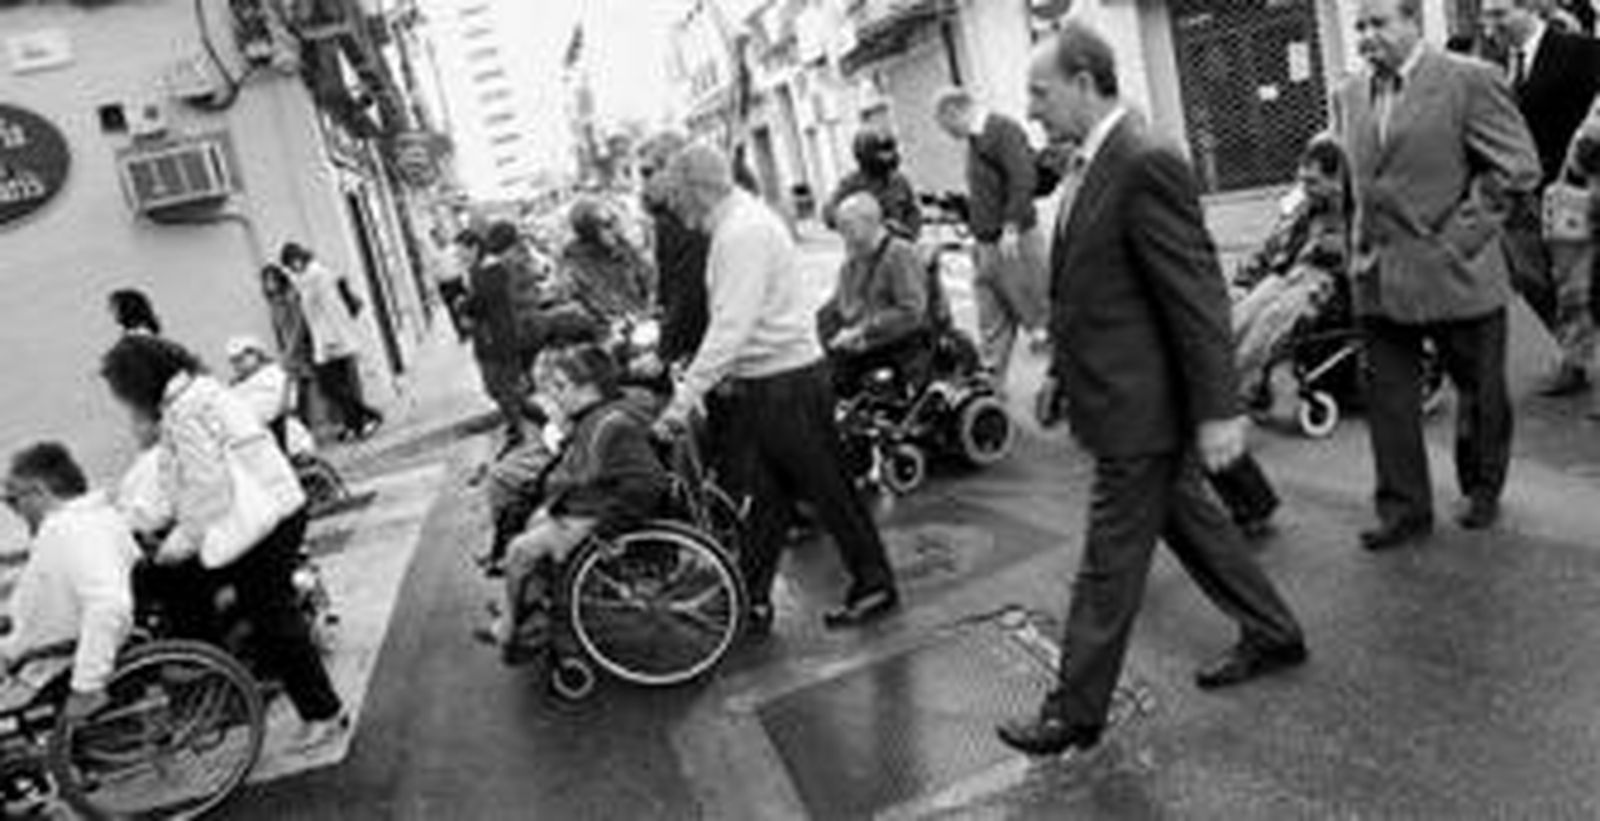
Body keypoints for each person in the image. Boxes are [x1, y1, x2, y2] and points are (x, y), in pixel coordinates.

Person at [997, 22, 1308, 758]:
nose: (1032, 108)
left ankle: (1074, 709)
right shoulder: (1089, 160)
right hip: (1119, 395)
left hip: (1143, 410)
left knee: (1109, 564)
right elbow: (1095, 293)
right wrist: (1061, 378)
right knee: (1197, 525)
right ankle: (1275, 632)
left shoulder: (1142, 158)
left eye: (1040, 93)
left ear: (1083, 80)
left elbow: (1194, 293)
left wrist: (1220, 407)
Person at [657, 144, 899, 633]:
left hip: (784, 384)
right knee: (767, 498)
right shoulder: (740, 224)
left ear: (698, 190)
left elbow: (731, 325)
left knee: (828, 489)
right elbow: (739, 324)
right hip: (775, 380)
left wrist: (681, 404)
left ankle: (874, 585)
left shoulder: (740, 233)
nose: (674, 205)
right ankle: (750, 601)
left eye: (677, 193)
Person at [1331, 0, 1540, 546]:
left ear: (1412, 22)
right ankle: (1403, 510)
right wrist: (1353, 248)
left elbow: (1517, 167)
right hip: (1378, 273)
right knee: (1389, 402)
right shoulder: (1349, 93)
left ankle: (1482, 486)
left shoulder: (1469, 80)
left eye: (1379, 24)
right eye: (1360, 26)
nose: (1366, 36)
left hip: (1456, 271)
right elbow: (1355, 183)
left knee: (1481, 393)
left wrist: (1461, 239)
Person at [99, 335, 348, 748]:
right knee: (259, 611)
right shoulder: (199, 392)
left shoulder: (185, 411)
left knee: (272, 618)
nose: (126, 406)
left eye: (123, 394)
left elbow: (209, 488)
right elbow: (185, 479)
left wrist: (181, 540)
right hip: (273, 510)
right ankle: (213, 664)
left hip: (262, 522)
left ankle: (321, 712)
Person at [475, 344, 669, 662]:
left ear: (589, 387)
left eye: (562, 387)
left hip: (597, 515)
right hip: (588, 505)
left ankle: (510, 626)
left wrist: (605, 532)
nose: (556, 395)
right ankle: (527, 612)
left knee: (518, 550)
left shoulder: (611, 425)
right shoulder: (596, 417)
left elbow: (648, 482)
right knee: (530, 522)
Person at [1479, 0, 1600, 396]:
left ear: (1529, 8)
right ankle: (1574, 350)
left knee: (1578, 285)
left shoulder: (1578, 50)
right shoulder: (1492, 61)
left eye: (1500, 14)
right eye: (1486, 15)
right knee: (1529, 277)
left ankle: (1578, 362)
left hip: (1571, 192)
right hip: (1517, 195)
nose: (1490, 24)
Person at [0, 443, 138, 719]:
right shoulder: (90, 520)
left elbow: (109, 605)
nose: (14, 511)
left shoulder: (72, 531)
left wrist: (86, 687)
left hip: (38, 663)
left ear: (39, 491)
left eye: (14, 501)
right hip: (28, 645)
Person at [933, 88, 1049, 381]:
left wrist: (1011, 226)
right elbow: (990, 190)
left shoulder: (1001, 131)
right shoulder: (975, 142)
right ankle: (989, 394)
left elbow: (1023, 178)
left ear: (955, 111)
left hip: (1012, 242)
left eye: (945, 125)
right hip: (987, 246)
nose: (947, 134)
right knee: (991, 325)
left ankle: (1070, 390)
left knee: (1041, 324)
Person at [1231, 138, 1354, 397]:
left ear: (1336, 180)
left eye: (1313, 181)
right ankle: (1213, 384)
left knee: (1267, 323)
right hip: (1288, 273)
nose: (1305, 187)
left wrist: (1332, 244)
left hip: (1322, 281)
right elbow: (1273, 243)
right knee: (1239, 317)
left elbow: (1356, 255)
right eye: (1302, 180)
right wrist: (1245, 278)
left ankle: (1224, 392)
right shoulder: (1302, 205)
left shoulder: (1353, 210)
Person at [817, 192, 930, 396]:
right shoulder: (853, 260)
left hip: (897, 344)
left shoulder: (899, 254)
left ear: (870, 222)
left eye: (847, 227)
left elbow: (911, 312)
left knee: (839, 375)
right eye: (840, 228)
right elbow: (840, 304)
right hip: (862, 343)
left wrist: (863, 330)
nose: (843, 234)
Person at [279, 242, 384, 442]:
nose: (293, 267)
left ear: (301, 256)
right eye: (290, 264)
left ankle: (368, 417)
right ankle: (356, 424)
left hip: (331, 341)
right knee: (338, 386)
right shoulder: (308, 277)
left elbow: (330, 310)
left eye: (294, 261)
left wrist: (330, 341)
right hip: (328, 340)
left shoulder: (315, 275)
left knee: (331, 386)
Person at [638, 132, 712, 367]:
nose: (644, 183)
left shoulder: (684, 215)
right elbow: (670, 283)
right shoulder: (669, 214)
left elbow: (689, 290)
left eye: (648, 173)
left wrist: (664, 351)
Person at [559, 197, 655, 326]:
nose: (616, 231)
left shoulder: (624, 249)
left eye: (615, 222)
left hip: (643, 320)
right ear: (590, 232)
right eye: (607, 226)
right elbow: (596, 303)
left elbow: (650, 283)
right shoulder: (577, 264)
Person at [822, 129, 923, 240]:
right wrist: (855, 223)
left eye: (891, 150)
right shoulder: (851, 183)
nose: (890, 156)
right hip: (866, 250)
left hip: (898, 246)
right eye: (884, 151)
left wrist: (909, 231)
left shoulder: (899, 181)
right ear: (867, 153)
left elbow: (912, 210)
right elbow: (829, 213)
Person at [226, 335, 315, 457]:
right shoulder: (234, 389)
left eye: (243, 357)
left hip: (282, 428)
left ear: (258, 354)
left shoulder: (275, 373)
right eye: (235, 360)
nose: (240, 363)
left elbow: (289, 403)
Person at [261, 264, 316, 424]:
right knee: (296, 391)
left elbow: (299, 324)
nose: (269, 283)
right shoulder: (273, 303)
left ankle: (305, 425)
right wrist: (282, 349)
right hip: (289, 351)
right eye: (266, 280)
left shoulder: (290, 297)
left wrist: (291, 349)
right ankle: (303, 426)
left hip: (300, 350)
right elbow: (278, 329)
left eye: (272, 279)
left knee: (302, 390)